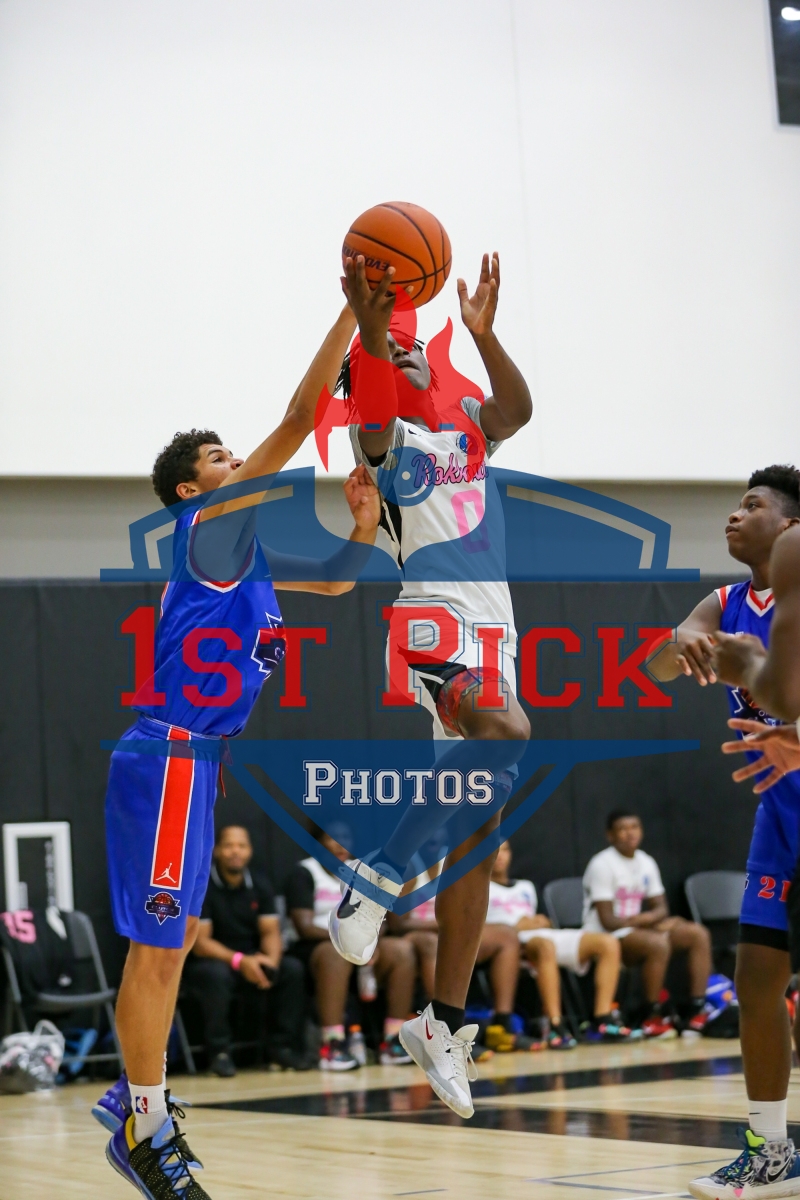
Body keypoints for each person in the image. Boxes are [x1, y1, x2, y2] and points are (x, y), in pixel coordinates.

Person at [93, 301, 384, 1200]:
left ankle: (133, 1094)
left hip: (196, 762)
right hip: (169, 756)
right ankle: (144, 1127)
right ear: (193, 491)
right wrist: (355, 309)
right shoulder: (210, 529)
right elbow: (299, 418)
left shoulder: (241, 559)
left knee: (173, 939)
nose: (237, 462)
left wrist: (363, 523)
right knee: (160, 948)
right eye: (220, 458)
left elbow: (336, 582)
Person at [328, 252, 533, 1120]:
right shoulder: (386, 446)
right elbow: (373, 403)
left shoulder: (466, 431)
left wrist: (484, 337)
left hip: (495, 636)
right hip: (432, 628)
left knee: (479, 834)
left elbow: (519, 409)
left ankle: (441, 1025)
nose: (414, 355)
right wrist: (371, 328)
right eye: (397, 352)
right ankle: (376, 877)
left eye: (417, 348)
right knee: (509, 733)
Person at [647, 465, 800, 1199]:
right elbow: (656, 666)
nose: (735, 516)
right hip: (779, 816)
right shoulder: (729, 600)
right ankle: (770, 1151)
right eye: (736, 504)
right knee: (756, 977)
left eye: (753, 505)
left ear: (792, 527)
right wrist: (684, 637)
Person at [285, 826, 416, 1070]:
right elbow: (304, 927)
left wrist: (369, 940)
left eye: (345, 838)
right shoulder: (304, 872)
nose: (340, 844)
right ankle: (332, 1045)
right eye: (333, 838)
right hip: (316, 948)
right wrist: (346, 939)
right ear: (318, 843)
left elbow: (379, 916)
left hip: (358, 947)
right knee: (335, 954)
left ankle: (393, 1041)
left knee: (401, 950)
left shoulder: (362, 872)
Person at [182, 825, 309, 1075]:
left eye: (241, 846)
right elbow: (201, 943)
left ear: (249, 851)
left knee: (291, 969)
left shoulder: (260, 884)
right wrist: (240, 961)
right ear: (217, 850)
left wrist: (270, 963)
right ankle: (219, 1053)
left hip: (251, 957)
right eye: (229, 845)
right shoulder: (202, 886)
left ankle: (281, 1048)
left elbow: (271, 932)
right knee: (215, 976)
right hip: (214, 959)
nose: (235, 851)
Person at [387, 852, 534, 1055]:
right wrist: (444, 925)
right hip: (413, 934)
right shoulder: (408, 867)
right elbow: (397, 924)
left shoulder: (453, 862)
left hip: (446, 930)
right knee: (433, 944)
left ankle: (501, 1025)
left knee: (506, 936)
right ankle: (446, 1031)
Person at [582, 811, 712, 1040]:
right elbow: (608, 921)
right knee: (657, 943)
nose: (630, 833)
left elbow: (661, 908)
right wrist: (648, 922)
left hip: (638, 930)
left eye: (635, 827)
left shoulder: (646, 861)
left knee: (696, 933)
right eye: (623, 829)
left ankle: (696, 1009)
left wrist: (647, 922)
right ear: (610, 835)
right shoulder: (602, 864)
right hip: (605, 936)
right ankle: (651, 1014)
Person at [489, 841, 632, 1046]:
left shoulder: (526, 886)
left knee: (607, 942)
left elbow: (546, 919)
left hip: (542, 934)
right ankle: (554, 1024)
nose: (500, 856)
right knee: (546, 946)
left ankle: (601, 1019)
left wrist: (542, 921)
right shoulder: (479, 888)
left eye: (504, 850)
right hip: (510, 941)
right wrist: (515, 927)